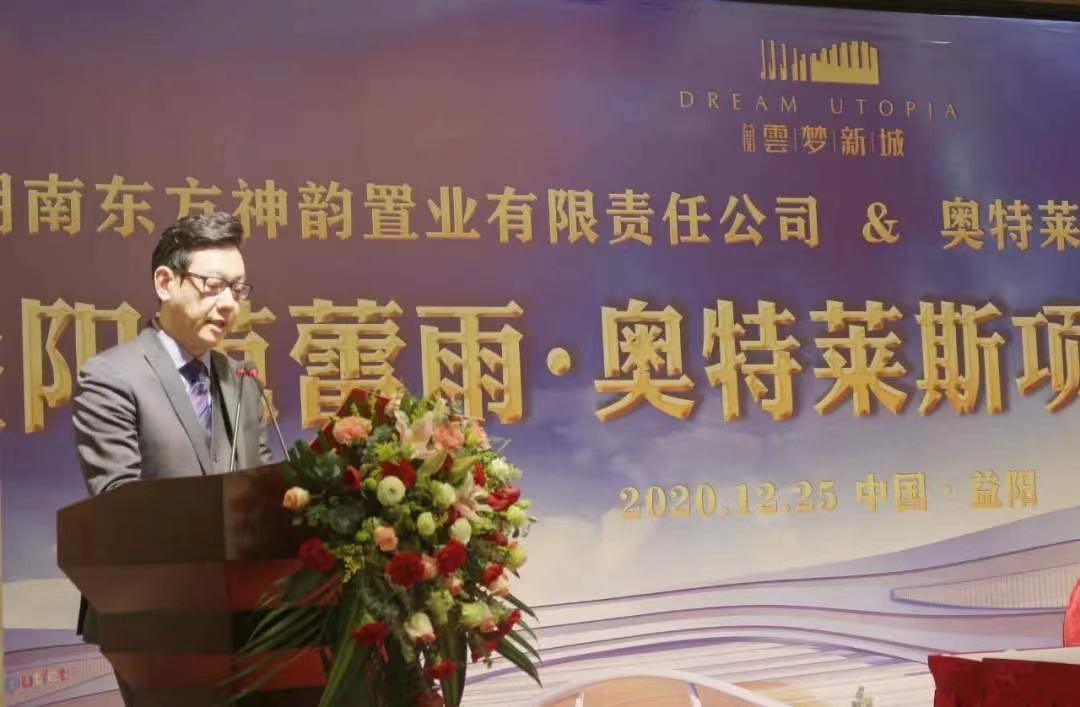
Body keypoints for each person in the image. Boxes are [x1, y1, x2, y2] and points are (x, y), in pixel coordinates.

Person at [71, 212, 274, 704]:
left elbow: (268, 486)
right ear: (165, 282)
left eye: (238, 290)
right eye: (213, 286)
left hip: (246, 615)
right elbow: (119, 501)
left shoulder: (241, 380)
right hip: (154, 618)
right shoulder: (111, 376)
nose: (228, 303)